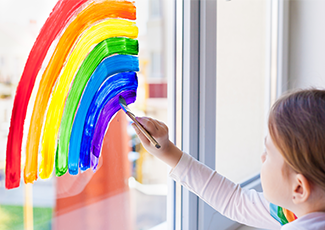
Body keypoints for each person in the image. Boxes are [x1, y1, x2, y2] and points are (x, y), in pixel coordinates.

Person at [132, 88, 325, 229]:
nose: (262, 157)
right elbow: (235, 202)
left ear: (299, 188)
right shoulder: (295, 211)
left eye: (268, 153)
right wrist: (167, 151)